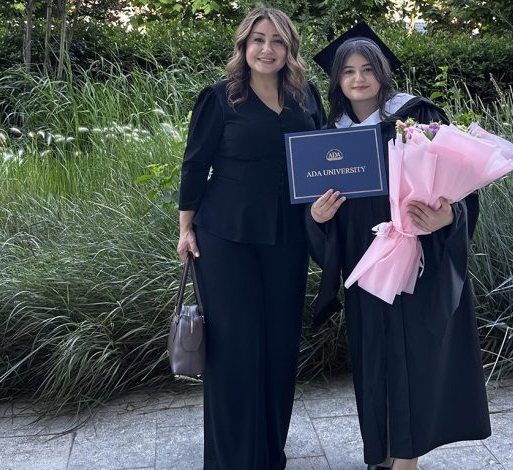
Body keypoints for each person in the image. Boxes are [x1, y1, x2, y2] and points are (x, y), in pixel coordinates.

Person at [307, 23, 490, 470]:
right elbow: (311, 207)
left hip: (416, 256)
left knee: (412, 354)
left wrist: (449, 216)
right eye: (348, 71)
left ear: (383, 72)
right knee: (373, 356)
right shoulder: (328, 134)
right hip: (363, 260)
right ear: (337, 80)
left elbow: (462, 185)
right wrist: (317, 218)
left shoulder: (417, 116)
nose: (358, 79)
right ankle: (383, 452)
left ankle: (407, 457)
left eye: (368, 69)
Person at [176, 8, 326, 469]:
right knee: (234, 349)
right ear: (243, 46)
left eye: (277, 41)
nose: (267, 49)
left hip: (289, 236)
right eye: (258, 39)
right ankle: (234, 459)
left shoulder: (306, 96)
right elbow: (194, 165)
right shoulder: (220, 98)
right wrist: (184, 228)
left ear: (290, 48)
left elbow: (323, 158)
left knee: (280, 345)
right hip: (226, 237)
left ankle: (269, 454)